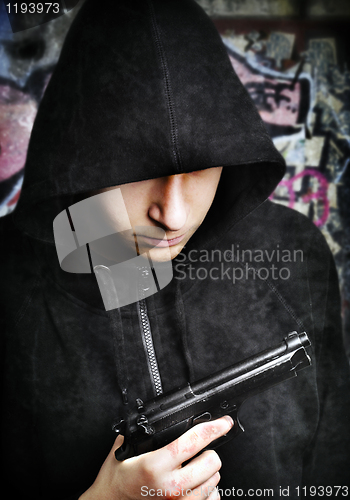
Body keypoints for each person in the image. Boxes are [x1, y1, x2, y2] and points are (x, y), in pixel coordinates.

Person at [1, 1, 349, 499]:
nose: (175, 214)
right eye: (139, 170)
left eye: (203, 166)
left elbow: (333, 469)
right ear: (83, 155)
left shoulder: (293, 255)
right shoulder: (9, 279)